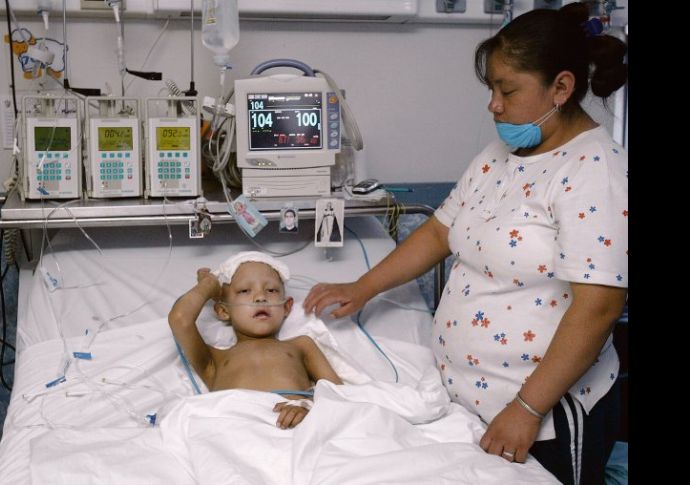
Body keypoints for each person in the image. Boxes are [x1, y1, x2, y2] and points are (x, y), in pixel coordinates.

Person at [303, 4, 627, 484]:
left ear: (561, 87)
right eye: (491, 89)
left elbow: (598, 307)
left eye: (507, 90)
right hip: (468, 405)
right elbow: (439, 231)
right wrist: (363, 287)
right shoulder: (500, 155)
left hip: (542, 417)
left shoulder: (595, 171)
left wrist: (526, 408)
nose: (493, 105)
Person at [168, 251, 343, 429]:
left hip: (290, 426)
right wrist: (208, 284)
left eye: (271, 290)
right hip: (232, 428)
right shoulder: (215, 360)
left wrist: (306, 408)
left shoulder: (301, 345)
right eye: (244, 290)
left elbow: (338, 394)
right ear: (223, 311)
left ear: (286, 307)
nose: (260, 297)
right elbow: (180, 318)